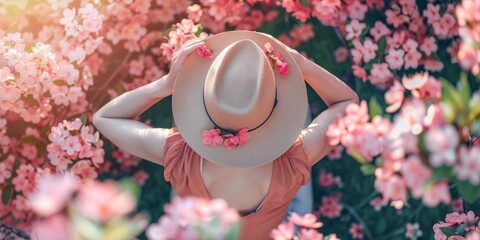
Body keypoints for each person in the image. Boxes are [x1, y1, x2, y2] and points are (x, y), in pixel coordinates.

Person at [93, 30, 358, 239]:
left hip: (202, 228)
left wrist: (165, 85)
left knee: (186, 196)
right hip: (276, 226)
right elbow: (347, 104)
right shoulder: (296, 155)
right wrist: (302, 65)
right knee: (300, 165)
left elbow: (106, 118)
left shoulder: (178, 152)